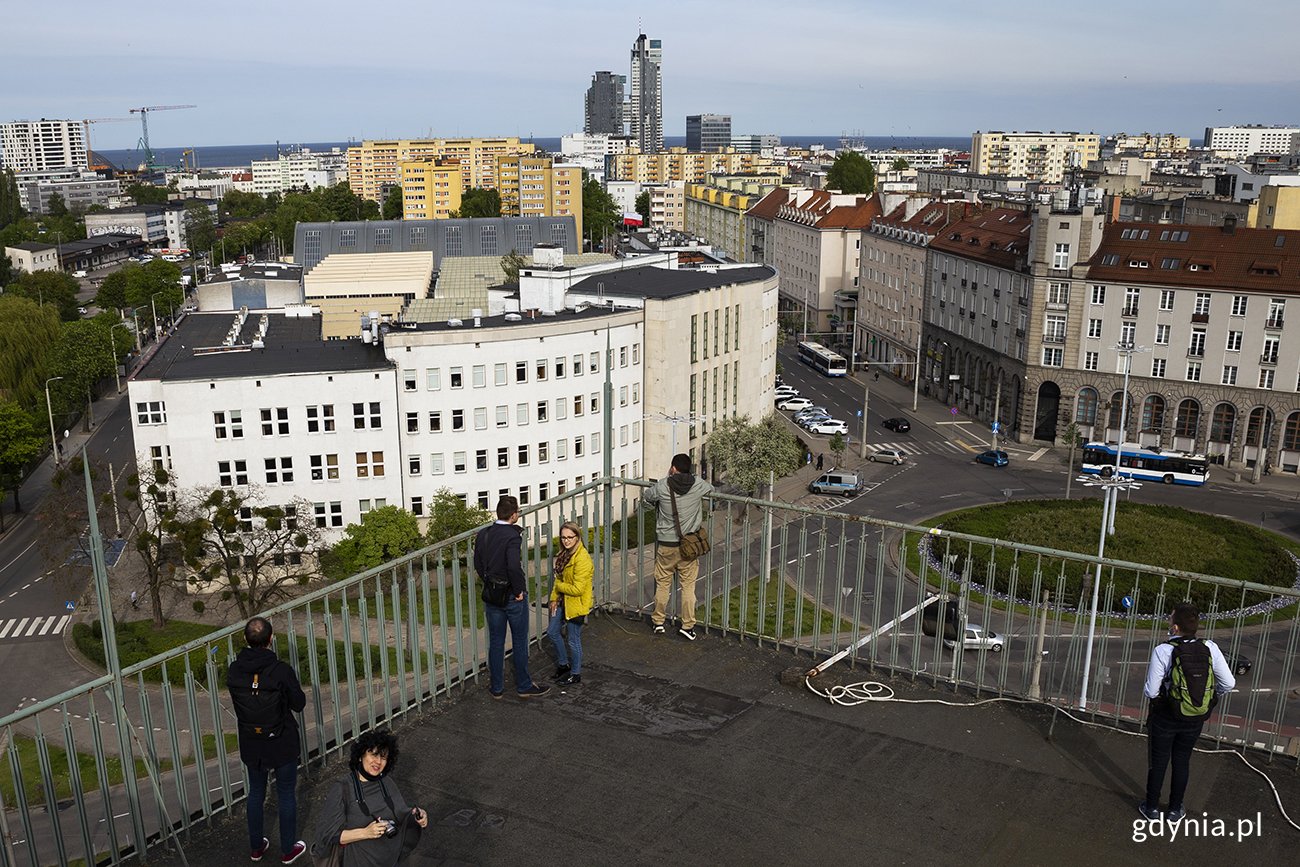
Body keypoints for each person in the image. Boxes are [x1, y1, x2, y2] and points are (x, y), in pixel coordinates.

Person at [1138, 602, 1235, 822]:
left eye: (1170, 619)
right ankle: (1175, 810)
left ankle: (1151, 808)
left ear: (1176, 628)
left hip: (1165, 715)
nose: (1169, 622)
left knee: (1159, 761)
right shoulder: (1210, 647)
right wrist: (1210, 698)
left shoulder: (1164, 650)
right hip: (1195, 717)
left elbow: (1151, 691)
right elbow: (1228, 683)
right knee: (1182, 760)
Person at [227, 617, 308, 864]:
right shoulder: (281, 670)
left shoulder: (234, 669)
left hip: (252, 740)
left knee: (256, 792)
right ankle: (287, 850)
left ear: (245, 639)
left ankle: (256, 848)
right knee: (285, 793)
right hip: (281, 739)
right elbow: (299, 704)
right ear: (271, 640)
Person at [312, 729, 428, 866]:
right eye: (373, 754)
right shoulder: (342, 789)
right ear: (360, 756)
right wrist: (365, 833)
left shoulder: (386, 782)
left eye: (383, 757)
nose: (378, 761)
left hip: (390, 861)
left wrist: (417, 816)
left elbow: (402, 814)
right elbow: (327, 835)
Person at [474, 496, 549, 699]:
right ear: (514, 514)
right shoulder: (512, 536)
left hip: (492, 596)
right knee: (519, 639)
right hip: (511, 597)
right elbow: (513, 567)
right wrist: (519, 591)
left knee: (496, 641)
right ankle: (524, 685)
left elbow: (478, 564)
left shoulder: (484, 534)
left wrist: (490, 582)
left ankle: (496, 688)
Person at [642, 453, 714, 640]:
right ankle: (688, 626)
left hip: (666, 545)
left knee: (663, 584)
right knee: (688, 587)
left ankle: (658, 622)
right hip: (689, 546)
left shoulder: (663, 485)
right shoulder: (698, 484)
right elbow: (711, 488)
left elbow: (647, 496)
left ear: (673, 468)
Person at [547, 521, 594, 685]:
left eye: (569, 537)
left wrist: (559, 587)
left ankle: (575, 673)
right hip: (561, 600)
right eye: (563, 537)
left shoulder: (582, 559)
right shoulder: (563, 555)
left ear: (577, 537)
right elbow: (558, 579)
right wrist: (554, 597)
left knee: (573, 640)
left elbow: (578, 589)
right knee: (552, 632)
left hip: (576, 604)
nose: (566, 541)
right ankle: (563, 665)